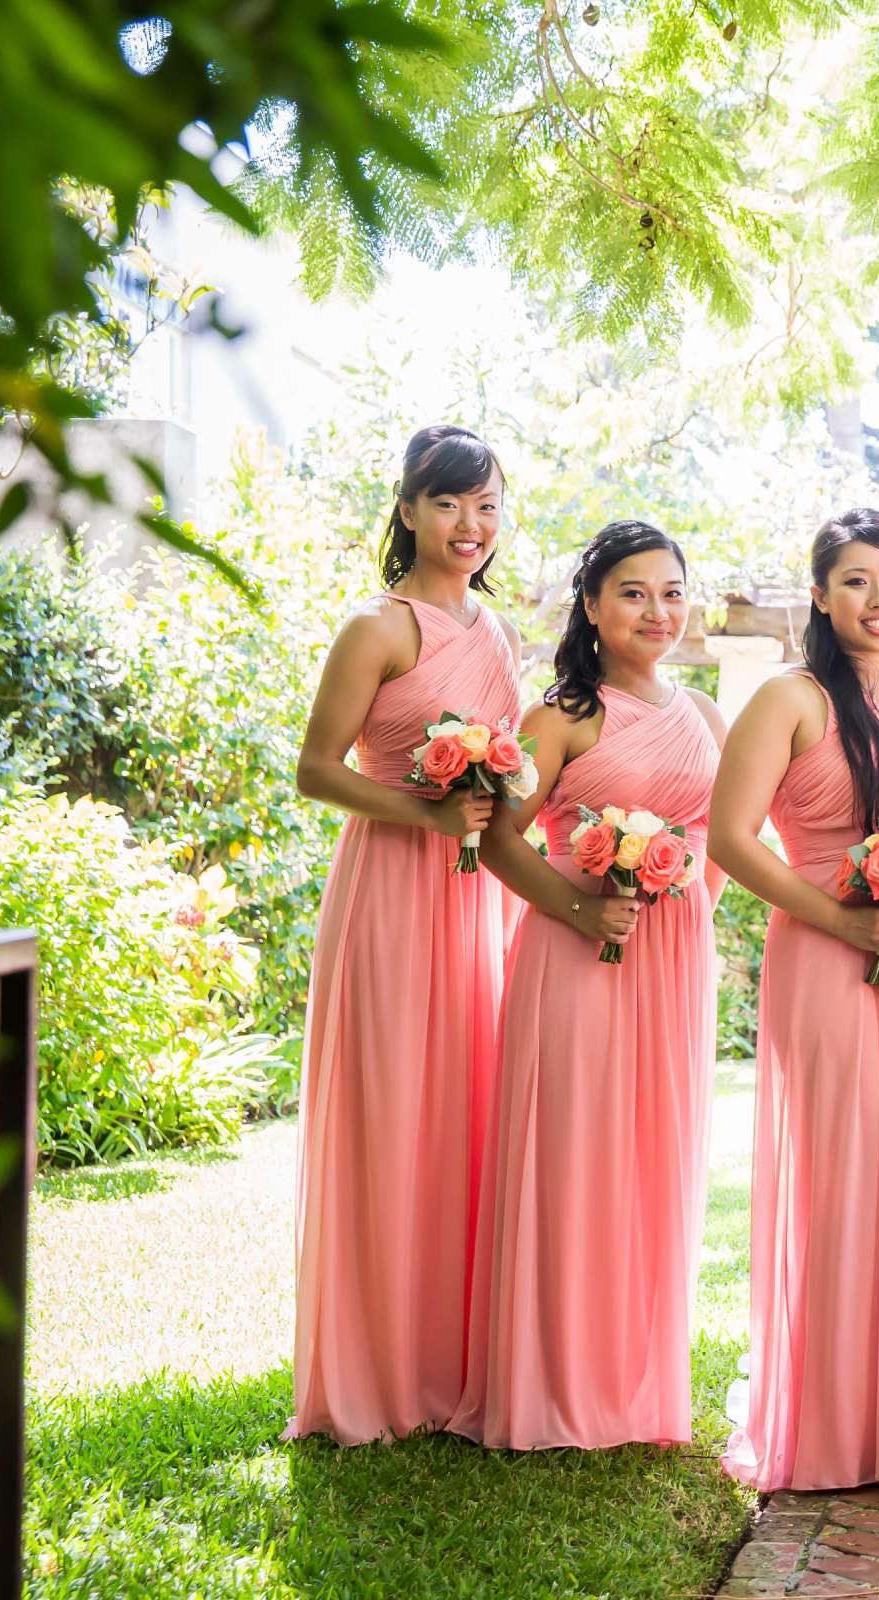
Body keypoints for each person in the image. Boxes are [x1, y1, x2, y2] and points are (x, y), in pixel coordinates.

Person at [451, 520, 725, 1450]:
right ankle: (557, 1384)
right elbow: (495, 839)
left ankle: (637, 1383)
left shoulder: (704, 714)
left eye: (672, 592)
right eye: (635, 592)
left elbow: (716, 843)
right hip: (576, 956)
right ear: (595, 607)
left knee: (656, 1158)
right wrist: (581, 911)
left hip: (674, 961)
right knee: (577, 1155)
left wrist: (691, 911)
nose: (659, 611)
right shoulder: (562, 716)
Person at [711, 509, 879, 1492]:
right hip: (827, 950)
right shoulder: (790, 698)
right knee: (844, 1174)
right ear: (820, 595)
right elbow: (732, 841)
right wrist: (841, 918)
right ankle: (829, 1422)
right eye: (856, 581)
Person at [289, 424, 520, 1443]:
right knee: (392, 1109)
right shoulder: (376, 628)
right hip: (391, 886)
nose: (468, 526)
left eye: (485, 506)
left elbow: (513, 762)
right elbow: (316, 767)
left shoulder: (497, 630)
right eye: (447, 504)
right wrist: (421, 811)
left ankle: (452, 1360)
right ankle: (373, 1373)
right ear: (407, 510)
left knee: (467, 1109)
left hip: (477, 897)